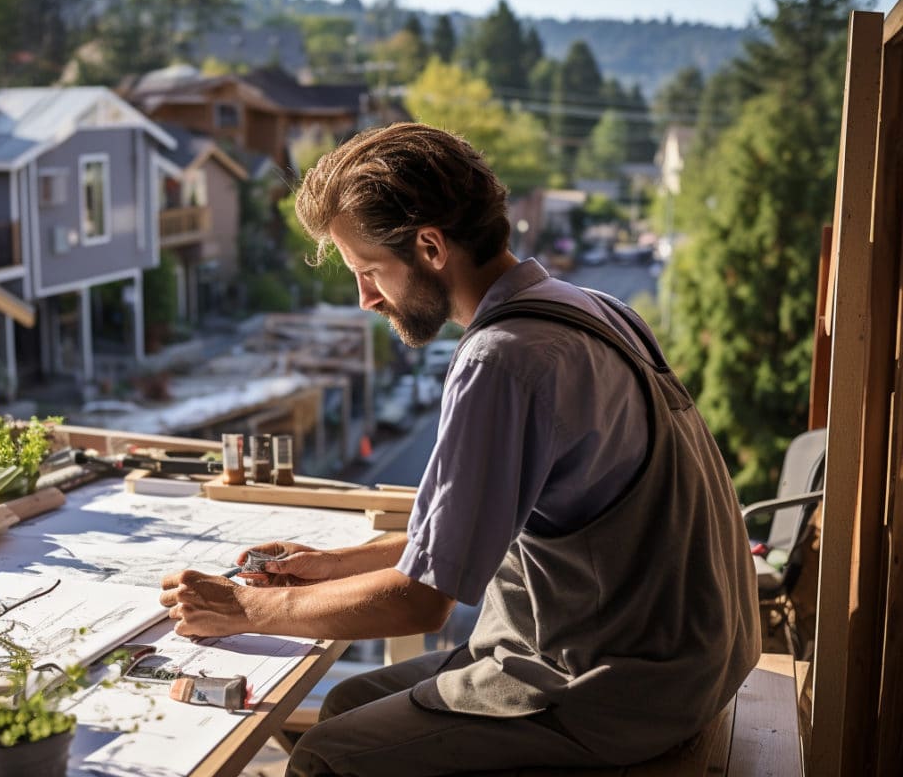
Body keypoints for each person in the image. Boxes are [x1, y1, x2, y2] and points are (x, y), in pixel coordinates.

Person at [159, 122, 760, 776]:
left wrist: (247, 608)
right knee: (350, 702)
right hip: (687, 658)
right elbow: (476, 523)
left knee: (329, 759)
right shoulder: (591, 308)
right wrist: (333, 565)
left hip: (615, 687)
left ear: (429, 246)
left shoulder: (503, 358)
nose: (364, 299)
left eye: (368, 271)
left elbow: (422, 600)